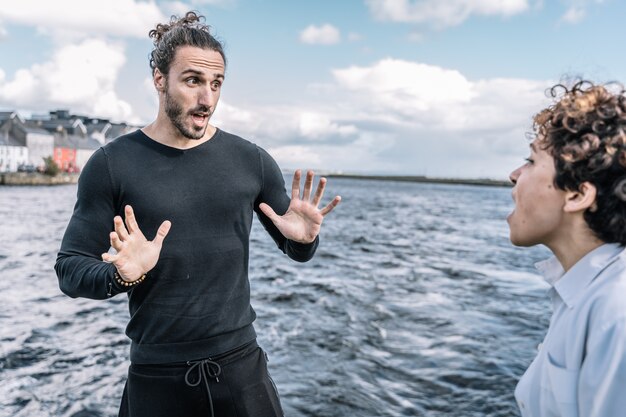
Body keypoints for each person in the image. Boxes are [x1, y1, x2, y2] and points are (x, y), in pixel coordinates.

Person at [55, 11, 341, 417]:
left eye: (216, 83)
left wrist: (304, 241)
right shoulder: (111, 164)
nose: (207, 98)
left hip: (243, 375)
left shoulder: (252, 161)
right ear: (159, 79)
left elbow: (296, 251)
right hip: (157, 379)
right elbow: (69, 270)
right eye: (193, 81)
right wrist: (121, 275)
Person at [508, 80, 626, 417]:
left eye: (530, 161)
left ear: (577, 195)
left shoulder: (615, 313)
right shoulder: (587, 292)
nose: (514, 175)